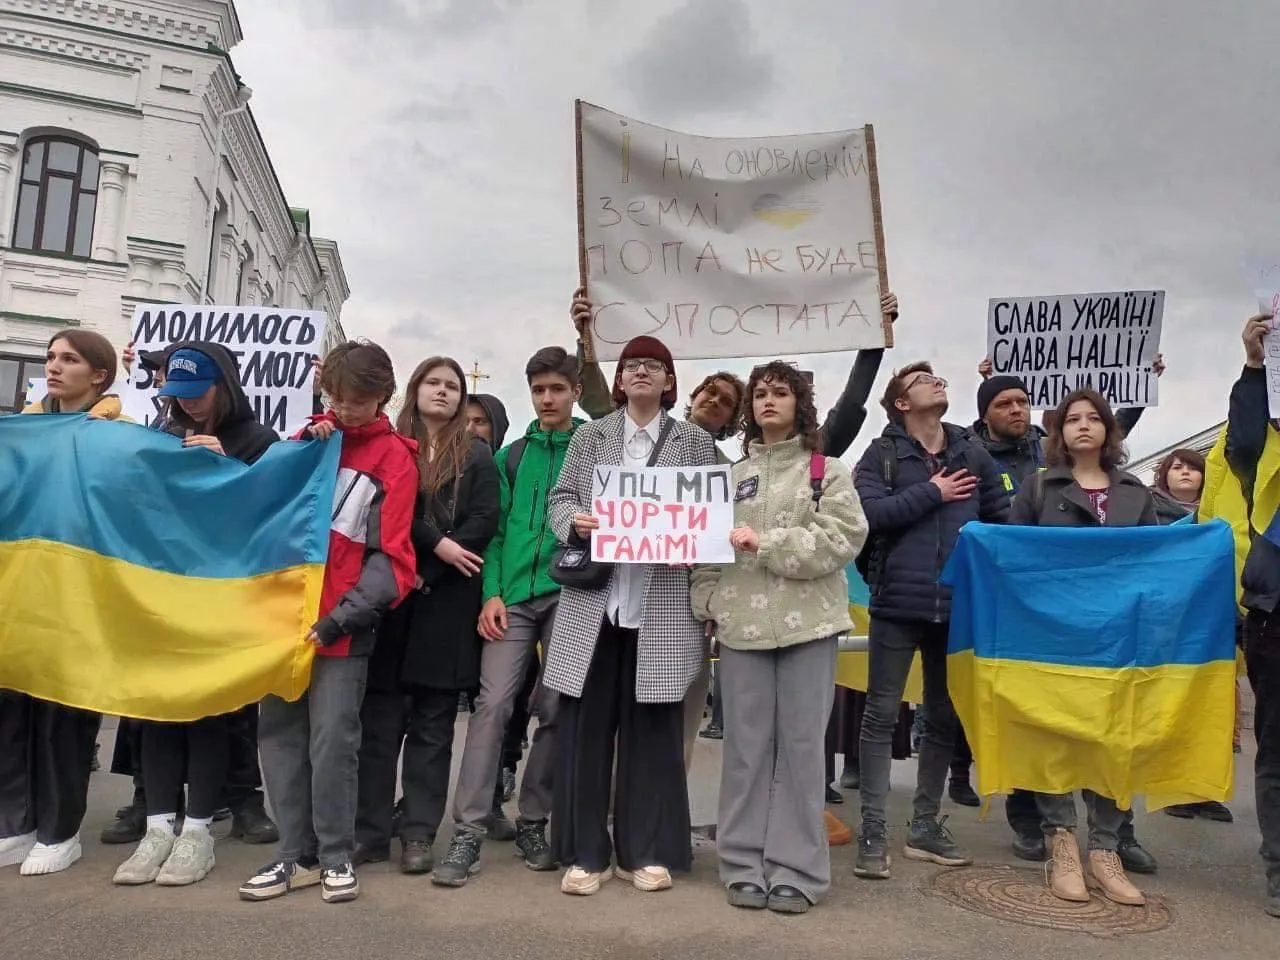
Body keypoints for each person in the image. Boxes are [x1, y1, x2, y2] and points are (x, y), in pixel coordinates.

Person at [239, 341, 418, 905]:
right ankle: (294, 855)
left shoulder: (396, 458)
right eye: (337, 399)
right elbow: (260, 512)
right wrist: (298, 449)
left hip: (341, 628)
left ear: (384, 397)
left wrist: (341, 619)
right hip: (282, 619)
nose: (346, 411)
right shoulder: (304, 442)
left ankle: (336, 855)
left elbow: (394, 562)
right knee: (279, 738)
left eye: (359, 403)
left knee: (334, 742)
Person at [691, 361, 867, 913]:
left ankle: (797, 868)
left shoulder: (826, 470)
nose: (769, 401)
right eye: (761, 393)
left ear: (800, 404)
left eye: (781, 393)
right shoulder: (728, 474)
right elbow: (706, 548)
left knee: (799, 750)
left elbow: (843, 537)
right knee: (744, 752)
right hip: (741, 628)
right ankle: (741, 861)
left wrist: (764, 542)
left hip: (807, 627)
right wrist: (710, 602)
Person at [545, 334, 717, 896]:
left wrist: (700, 543)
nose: (641, 372)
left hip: (661, 605)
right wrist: (575, 521)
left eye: (654, 366)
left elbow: (708, 514)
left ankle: (644, 849)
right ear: (617, 381)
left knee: (653, 734)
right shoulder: (591, 436)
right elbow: (561, 496)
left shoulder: (695, 442)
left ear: (670, 382)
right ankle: (587, 853)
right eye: (631, 365)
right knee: (587, 733)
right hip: (598, 602)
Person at [971, 367, 1161, 874]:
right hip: (1052, 634)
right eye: (1071, 418)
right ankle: (1061, 841)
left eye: (1092, 418)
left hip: (1116, 636)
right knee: (1054, 735)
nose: (1082, 425)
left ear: (1107, 429)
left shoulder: (1134, 492)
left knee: (1114, 736)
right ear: (1058, 432)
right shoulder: (1037, 487)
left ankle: (1106, 844)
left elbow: (1155, 562)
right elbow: (1016, 554)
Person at [111, 344, 279, 887]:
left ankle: (198, 833)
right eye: (176, 397)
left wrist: (230, 469)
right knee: (159, 709)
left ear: (224, 385)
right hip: (161, 591)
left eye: (196, 394)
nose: (187, 406)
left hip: (222, 597)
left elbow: (274, 515)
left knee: (207, 712)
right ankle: (158, 828)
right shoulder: (161, 434)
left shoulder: (258, 441)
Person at [852, 362, 1010, 880]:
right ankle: (873, 831)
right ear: (901, 403)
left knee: (942, 719)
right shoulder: (881, 455)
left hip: (958, 606)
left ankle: (924, 825)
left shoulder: (972, 452)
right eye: (923, 381)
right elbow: (868, 517)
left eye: (940, 377)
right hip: (897, 603)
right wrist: (933, 493)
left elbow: (1001, 521)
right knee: (879, 716)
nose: (938, 381)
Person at [439, 346, 587, 883]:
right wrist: (492, 595)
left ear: (575, 392)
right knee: (492, 703)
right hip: (513, 597)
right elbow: (497, 532)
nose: (547, 399)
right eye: (539, 390)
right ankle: (469, 830)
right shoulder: (513, 456)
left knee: (555, 706)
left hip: (571, 593)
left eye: (557, 389)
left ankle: (533, 818)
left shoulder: (593, 447)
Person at [356, 357, 500, 881]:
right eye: (433, 383)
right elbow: (381, 509)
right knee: (380, 724)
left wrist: (431, 570)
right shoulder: (391, 446)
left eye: (452, 386)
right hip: (391, 600)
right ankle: (369, 832)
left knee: (434, 728)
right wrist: (428, 549)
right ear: (414, 390)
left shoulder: (477, 453)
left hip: (446, 603)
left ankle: (417, 832)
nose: (442, 392)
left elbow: (484, 519)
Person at [0, 330, 129, 876]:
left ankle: (60, 831)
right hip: (19, 593)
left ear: (98, 375)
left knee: (64, 716)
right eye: (51, 358)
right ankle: (16, 823)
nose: (54, 367)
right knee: (10, 712)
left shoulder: (119, 435)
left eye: (69, 360)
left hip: (79, 597)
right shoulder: (21, 432)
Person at [1207, 314, 1280, 918]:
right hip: (1275, 613)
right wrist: (1256, 367)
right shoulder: (1267, 453)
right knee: (1277, 746)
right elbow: (1244, 444)